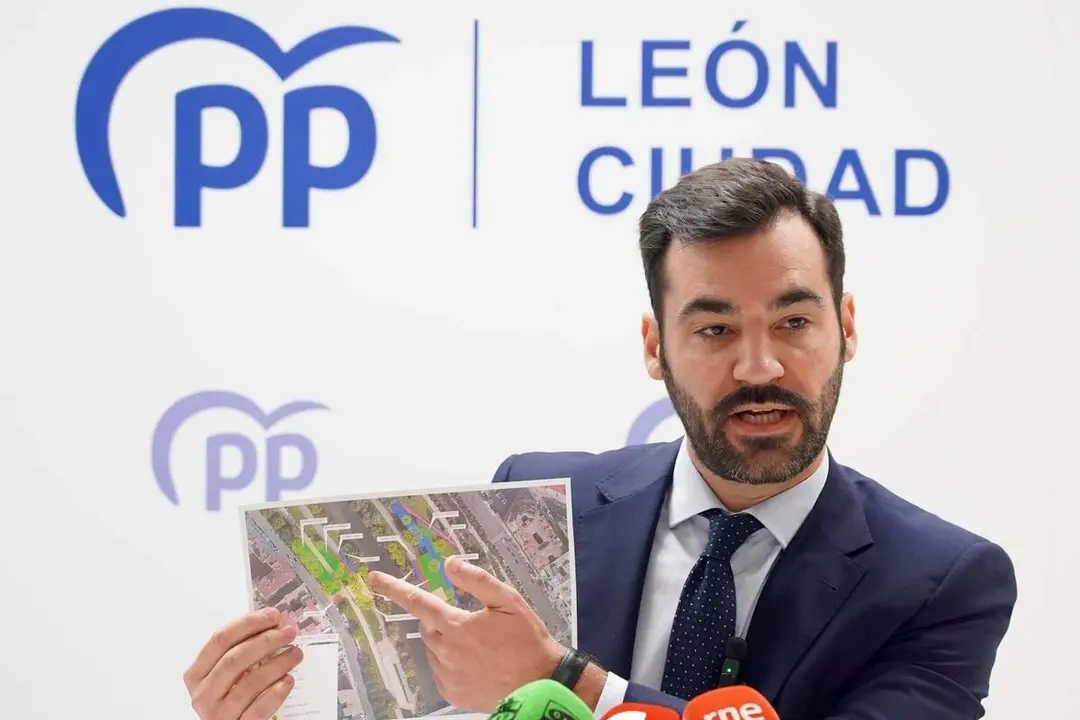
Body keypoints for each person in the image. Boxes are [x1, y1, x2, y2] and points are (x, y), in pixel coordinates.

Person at [182, 159, 1017, 720]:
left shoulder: (940, 584)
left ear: (846, 326)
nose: (758, 366)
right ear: (655, 347)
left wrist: (563, 680)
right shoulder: (535, 506)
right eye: (715, 329)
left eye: (793, 322)